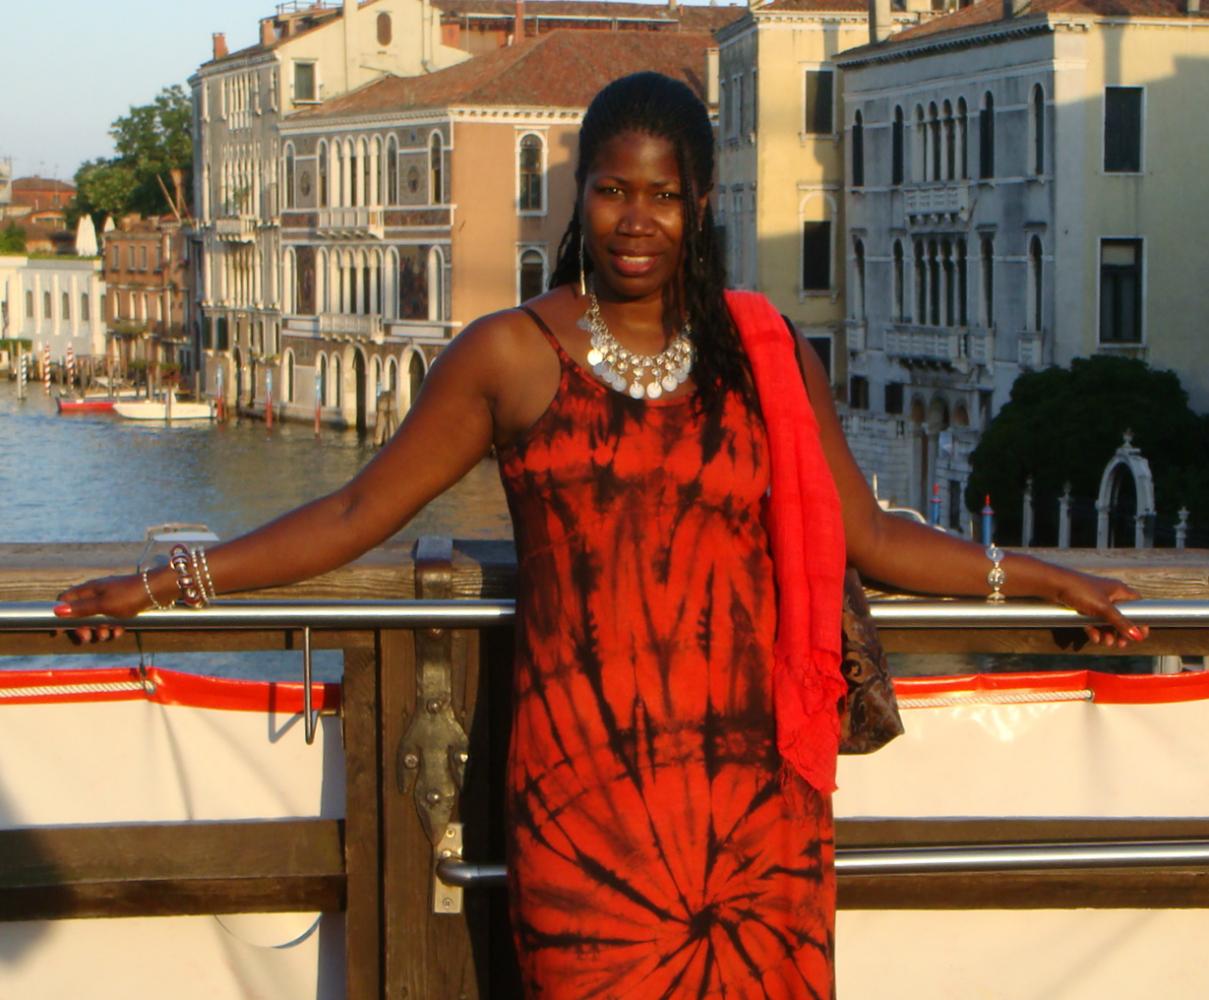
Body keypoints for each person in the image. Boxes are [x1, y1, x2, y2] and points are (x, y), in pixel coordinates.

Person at [57, 72, 1145, 998]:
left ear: (702, 204)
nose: (637, 219)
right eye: (614, 190)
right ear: (581, 195)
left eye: (663, 195)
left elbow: (868, 536)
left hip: (756, 803)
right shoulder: (512, 355)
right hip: (587, 805)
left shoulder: (765, 356)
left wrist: (1051, 580)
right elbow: (355, 513)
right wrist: (163, 583)